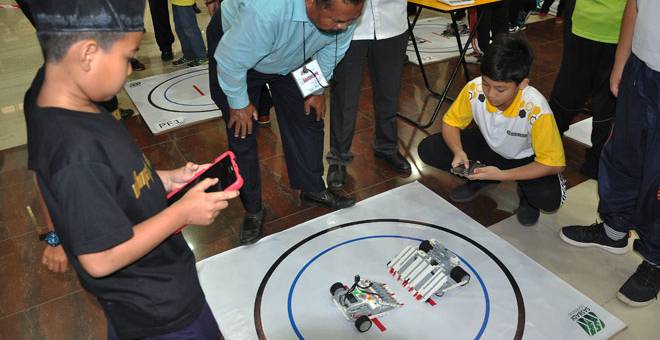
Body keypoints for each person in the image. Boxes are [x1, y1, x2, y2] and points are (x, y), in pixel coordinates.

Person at [24, 1, 239, 338]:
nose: (129, 71)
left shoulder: (69, 101)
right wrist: (182, 212)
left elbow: (111, 179)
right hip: (156, 306)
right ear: (88, 53)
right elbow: (100, 257)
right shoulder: (75, 152)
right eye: (127, 58)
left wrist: (165, 179)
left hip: (149, 292)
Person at [207, 0, 364, 245]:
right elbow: (230, 60)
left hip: (295, 50)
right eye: (337, 21)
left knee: (309, 115)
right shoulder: (265, 11)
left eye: (349, 21)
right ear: (311, 2)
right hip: (239, 55)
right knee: (242, 130)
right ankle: (253, 209)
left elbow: (333, 50)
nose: (343, 27)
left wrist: (317, 90)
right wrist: (238, 103)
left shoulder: (344, 14)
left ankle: (312, 187)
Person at [559, 0, 660, 307]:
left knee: (657, 178)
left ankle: (655, 259)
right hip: (640, 68)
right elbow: (636, 5)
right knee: (622, 156)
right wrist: (621, 60)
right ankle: (614, 229)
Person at [418, 35, 566, 226]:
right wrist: (458, 151)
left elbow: (554, 164)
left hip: (525, 157)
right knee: (429, 149)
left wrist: (502, 175)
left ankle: (526, 197)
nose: (490, 94)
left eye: (500, 89)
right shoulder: (474, 89)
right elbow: (450, 123)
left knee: (549, 198)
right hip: (489, 145)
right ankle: (483, 177)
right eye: (486, 84)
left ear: (522, 84)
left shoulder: (537, 109)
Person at [325, 0, 411, 190]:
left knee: (389, 92)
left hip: (392, 23)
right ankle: (338, 159)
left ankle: (387, 147)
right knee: (344, 97)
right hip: (349, 26)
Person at [549, 0, 625, 179]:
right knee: (575, 92)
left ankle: (596, 158)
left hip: (612, 26)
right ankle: (546, 144)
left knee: (603, 98)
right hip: (589, 23)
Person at [171, 0, 208, 67]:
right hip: (175, 2)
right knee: (180, 29)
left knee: (190, 29)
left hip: (185, 2)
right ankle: (189, 55)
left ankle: (202, 56)